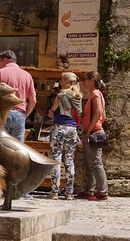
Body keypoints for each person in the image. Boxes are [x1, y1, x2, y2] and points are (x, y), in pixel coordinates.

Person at [0, 50, 37, 142]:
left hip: (2, 114)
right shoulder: (27, 75)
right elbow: (33, 101)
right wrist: (24, 116)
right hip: (20, 114)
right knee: (18, 149)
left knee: (1, 146)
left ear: (5, 60)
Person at [47, 72, 82, 200]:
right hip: (72, 129)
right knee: (69, 160)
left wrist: (51, 113)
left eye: (62, 79)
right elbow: (78, 114)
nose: (60, 81)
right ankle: (69, 193)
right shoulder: (78, 96)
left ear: (66, 82)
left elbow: (52, 111)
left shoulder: (60, 95)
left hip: (59, 128)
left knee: (56, 159)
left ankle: (55, 191)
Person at [78, 71, 109, 201]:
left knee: (95, 163)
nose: (83, 82)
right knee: (90, 163)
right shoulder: (96, 94)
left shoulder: (96, 94)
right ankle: (89, 190)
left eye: (85, 79)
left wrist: (89, 129)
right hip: (94, 131)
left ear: (91, 80)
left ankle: (102, 192)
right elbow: (104, 116)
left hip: (93, 133)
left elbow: (98, 112)